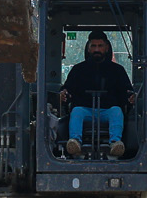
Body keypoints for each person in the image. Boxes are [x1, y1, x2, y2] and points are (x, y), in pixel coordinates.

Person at [56, 30, 132, 159]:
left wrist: (131, 98)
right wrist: (64, 94)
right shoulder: (78, 70)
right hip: (86, 111)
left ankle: (115, 143)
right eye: (93, 46)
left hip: (108, 111)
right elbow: (68, 89)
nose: (97, 49)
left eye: (100, 46)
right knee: (77, 111)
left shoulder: (118, 71)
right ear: (88, 48)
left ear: (106, 48)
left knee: (117, 111)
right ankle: (75, 142)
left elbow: (126, 92)